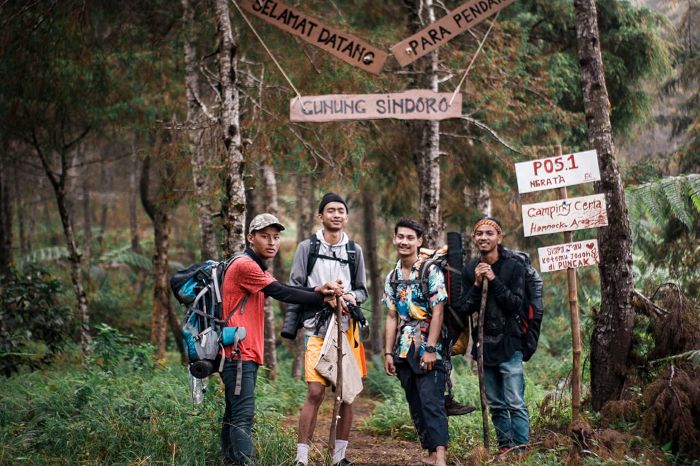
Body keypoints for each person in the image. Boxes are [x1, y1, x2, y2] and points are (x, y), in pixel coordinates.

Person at [220, 213, 344, 466]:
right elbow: (281, 292)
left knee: (234, 415)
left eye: (276, 237)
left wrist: (317, 290)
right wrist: (321, 297)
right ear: (250, 237)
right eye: (264, 236)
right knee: (243, 417)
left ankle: (232, 462)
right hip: (239, 353)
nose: (272, 242)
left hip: (241, 352)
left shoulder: (252, 266)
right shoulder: (245, 265)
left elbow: (282, 287)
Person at [284, 193, 368, 466]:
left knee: (347, 393)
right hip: (316, 330)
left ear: (346, 216)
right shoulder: (306, 248)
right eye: (330, 210)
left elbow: (363, 290)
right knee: (315, 392)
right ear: (320, 215)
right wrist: (323, 296)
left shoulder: (354, 251)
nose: (336, 214)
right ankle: (302, 458)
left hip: (347, 331)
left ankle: (339, 457)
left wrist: (349, 297)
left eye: (341, 210)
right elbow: (294, 287)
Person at [459, 216, 529, 453]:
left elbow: (515, 304)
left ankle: (521, 450)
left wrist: (493, 280)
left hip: (510, 344)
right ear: (474, 238)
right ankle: (505, 448)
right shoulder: (470, 269)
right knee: (497, 404)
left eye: (489, 233)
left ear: (499, 238)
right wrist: (477, 284)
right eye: (479, 234)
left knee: (515, 402)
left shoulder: (513, 267)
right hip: (484, 346)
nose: (484, 238)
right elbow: (464, 308)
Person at [383, 218, 449, 466]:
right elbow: (391, 316)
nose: (404, 241)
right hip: (403, 348)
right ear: (394, 238)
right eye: (400, 236)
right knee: (416, 401)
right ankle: (431, 454)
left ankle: (440, 456)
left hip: (430, 345)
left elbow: (438, 311)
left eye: (410, 238)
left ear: (419, 241)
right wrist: (388, 353)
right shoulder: (392, 276)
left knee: (432, 399)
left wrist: (431, 348)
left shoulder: (430, 270)